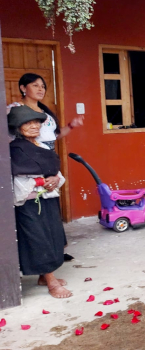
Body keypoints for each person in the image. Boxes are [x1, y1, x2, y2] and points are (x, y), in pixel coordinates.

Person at [8, 73, 84, 262]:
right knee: (34, 214)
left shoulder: (46, 113)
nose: (41, 89)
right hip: (28, 161)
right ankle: (39, 257)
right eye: (35, 85)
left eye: (43, 86)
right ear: (23, 88)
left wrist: (71, 126)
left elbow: (56, 136)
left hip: (47, 159)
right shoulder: (15, 110)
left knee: (51, 209)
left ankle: (55, 250)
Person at [8, 105, 71, 299]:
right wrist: (42, 181)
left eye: (36, 122)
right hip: (29, 203)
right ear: (18, 127)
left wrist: (54, 180)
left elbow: (56, 173)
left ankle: (44, 277)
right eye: (28, 123)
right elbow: (17, 180)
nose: (34, 126)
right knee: (39, 239)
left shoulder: (42, 146)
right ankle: (51, 282)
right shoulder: (15, 149)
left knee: (53, 235)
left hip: (48, 199)